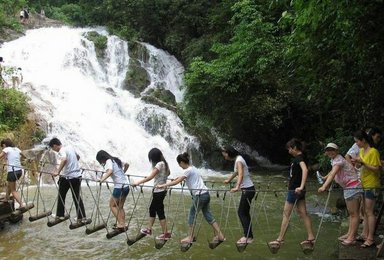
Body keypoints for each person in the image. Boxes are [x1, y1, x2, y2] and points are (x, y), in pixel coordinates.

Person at [156, 152, 225, 244]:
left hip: (199, 195)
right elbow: (184, 178)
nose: (180, 166)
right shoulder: (194, 168)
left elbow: (177, 182)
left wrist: (163, 185)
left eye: (179, 164)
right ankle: (220, 236)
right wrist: (177, 178)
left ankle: (190, 237)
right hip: (206, 194)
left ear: (181, 162)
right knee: (208, 215)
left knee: (192, 214)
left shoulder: (187, 171)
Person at [268, 138, 315, 247]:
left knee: (286, 214)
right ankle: (311, 237)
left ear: (294, 148)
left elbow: (305, 170)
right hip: (299, 190)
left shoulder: (298, 158)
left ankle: (280, 240)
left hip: (294, 190)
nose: (289, 151)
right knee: (303, 213)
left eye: (289, 149)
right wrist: (302, 187)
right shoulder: (302, 157)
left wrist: (300, 186)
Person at [318, 143, 363, 246]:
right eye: (328, 150)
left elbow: (334, 173)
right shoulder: (335, 159)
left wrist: (324, 186)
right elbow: (333, 171)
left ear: (337, 151)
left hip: (353, 186)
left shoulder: (338, 160)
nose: (330, 152)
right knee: (352, 214)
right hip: (349, 187)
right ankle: (349, 234)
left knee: (354, 214)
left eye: (332, 150)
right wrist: (325, 177)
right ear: (326, 152)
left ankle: (352, 238)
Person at [133, 148, 171, 240]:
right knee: (152, 209)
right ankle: (149, 229)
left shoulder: (159, 164)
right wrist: (159, 177)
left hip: (159, 191)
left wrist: (138, 182)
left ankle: (165, 233)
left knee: (160, 211)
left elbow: (151, 177)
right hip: (162, 190)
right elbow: (168, 173)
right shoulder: (165, 163)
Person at [352, 130, 382, 248]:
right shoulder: (361, 151)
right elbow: (360, 166)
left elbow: (377, 169)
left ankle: (370, 238)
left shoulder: (373, 151)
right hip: (363, 184)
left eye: (357, 141)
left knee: (369, 212)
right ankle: (364, 235)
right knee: (364, 211)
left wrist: (363, 163)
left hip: (372, 185)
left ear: (363, 140)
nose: (356, 144)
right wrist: (357, 163)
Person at [222, 145, 256, 244]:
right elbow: (237, 172)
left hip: (248, 190)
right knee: (245, 213)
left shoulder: (238, 160)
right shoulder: (238, 159)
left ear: (228, 153)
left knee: (241, 213)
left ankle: (248, 237)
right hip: (249, 189)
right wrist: (229, 179)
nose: (224, 157)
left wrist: (237, 187)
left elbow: (240, 174)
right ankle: (249, 236)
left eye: (224, 154)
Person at [48, 138, 86, 222]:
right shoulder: (70, 147)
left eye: (53, 148)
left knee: (61, 194)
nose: (54, 150)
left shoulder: (62, 150)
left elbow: (64, 159)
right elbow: (78, 157)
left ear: (54, 145)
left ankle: (60, 215)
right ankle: (82, 217)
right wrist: (73, 165)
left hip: (68, 177)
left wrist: (58, 172)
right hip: (77, 176)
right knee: (77, 197)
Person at [96, 150, 130, 230]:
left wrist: (102, 179)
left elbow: (110, 171)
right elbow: (127, 164)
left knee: (112, 205)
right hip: (126, 186)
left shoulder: (108, 161)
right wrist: (123, 172)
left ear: (102, 158)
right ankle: (123, 223)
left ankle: (121, 223)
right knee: (120, 207)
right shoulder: (115, 159)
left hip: (119, 187)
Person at [0, 138, 25, 208]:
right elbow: (24, 156)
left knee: (13, 190)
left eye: (2, 146)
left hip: (12, 171)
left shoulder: (6, 149)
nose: (2, 147)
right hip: (19, 171)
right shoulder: (16, 149)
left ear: (4, 145)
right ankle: (6, 198)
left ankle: (21, 204)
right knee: (9, 185)